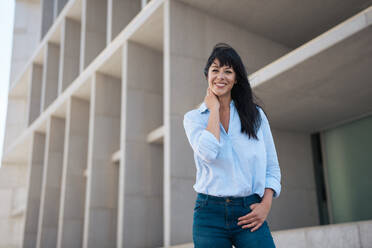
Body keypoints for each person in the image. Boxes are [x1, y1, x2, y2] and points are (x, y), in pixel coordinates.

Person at [183, 43, 281, 248]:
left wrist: (266, 205)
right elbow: (209, 153)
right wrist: (214, 109)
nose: (221, 76)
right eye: (215, 70)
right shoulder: (194, 119)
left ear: (236, 79)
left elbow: (272, 166)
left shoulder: (256, 116)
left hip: (249, 209)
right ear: (207, 75)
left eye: (228, 71)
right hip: (209, 214)